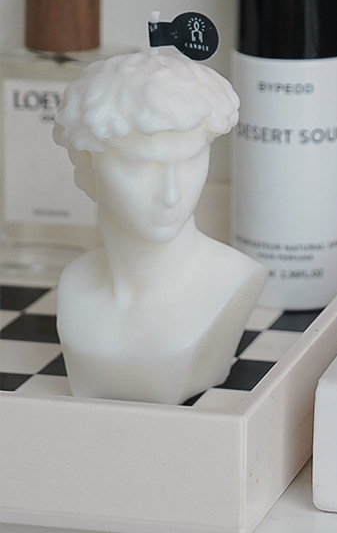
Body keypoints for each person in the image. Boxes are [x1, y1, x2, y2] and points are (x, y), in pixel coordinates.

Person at [53, 48, 266, 404]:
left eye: (191, 160)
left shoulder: (234, 279)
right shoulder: (74, 280)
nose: (171, 195)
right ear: (88, 164)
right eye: (140, 166)